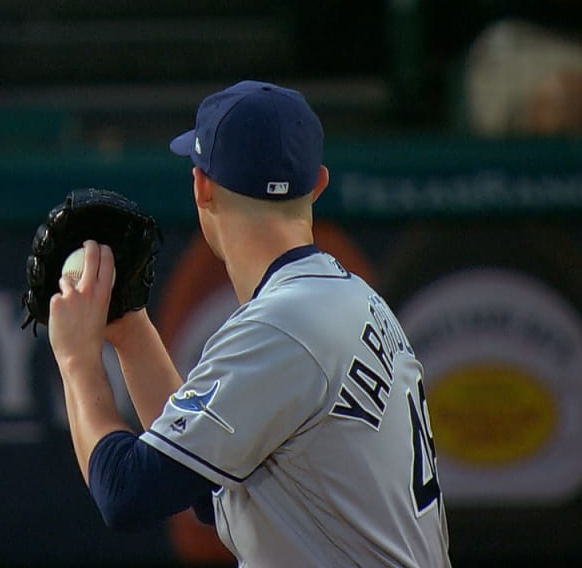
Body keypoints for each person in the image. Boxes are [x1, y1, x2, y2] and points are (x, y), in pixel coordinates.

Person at [47, 80, 451, 567]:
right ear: (317, 185)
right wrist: (131, 331)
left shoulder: (283, 326)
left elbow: (127, 492)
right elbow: (202, 482)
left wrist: (76, 361)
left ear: (202, 187)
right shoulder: (350, 300)